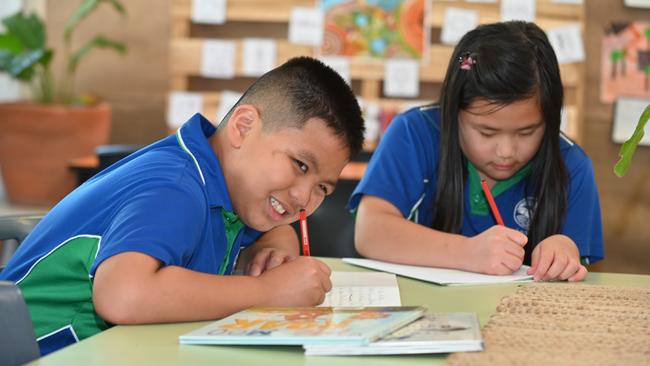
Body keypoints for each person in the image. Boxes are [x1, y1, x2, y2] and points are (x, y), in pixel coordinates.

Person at [0, 56, 365, 355]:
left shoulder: (231, 183)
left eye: (322, 187)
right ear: (243, 127)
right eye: (299, 165)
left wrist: (275, 243)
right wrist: (270, 292)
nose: (304, 198)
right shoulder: (176, 186)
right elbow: (122, 297)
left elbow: (268, 227)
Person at [349, 21, 603, 282]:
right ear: (454, 110)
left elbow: (577, 263)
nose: (506, 151)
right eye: (487, 133)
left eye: (527, 132)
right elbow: (370, 232)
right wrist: (467, 252)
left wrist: (564, 251)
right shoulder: (413, 134)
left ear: (550, 119)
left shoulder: (572, 165)